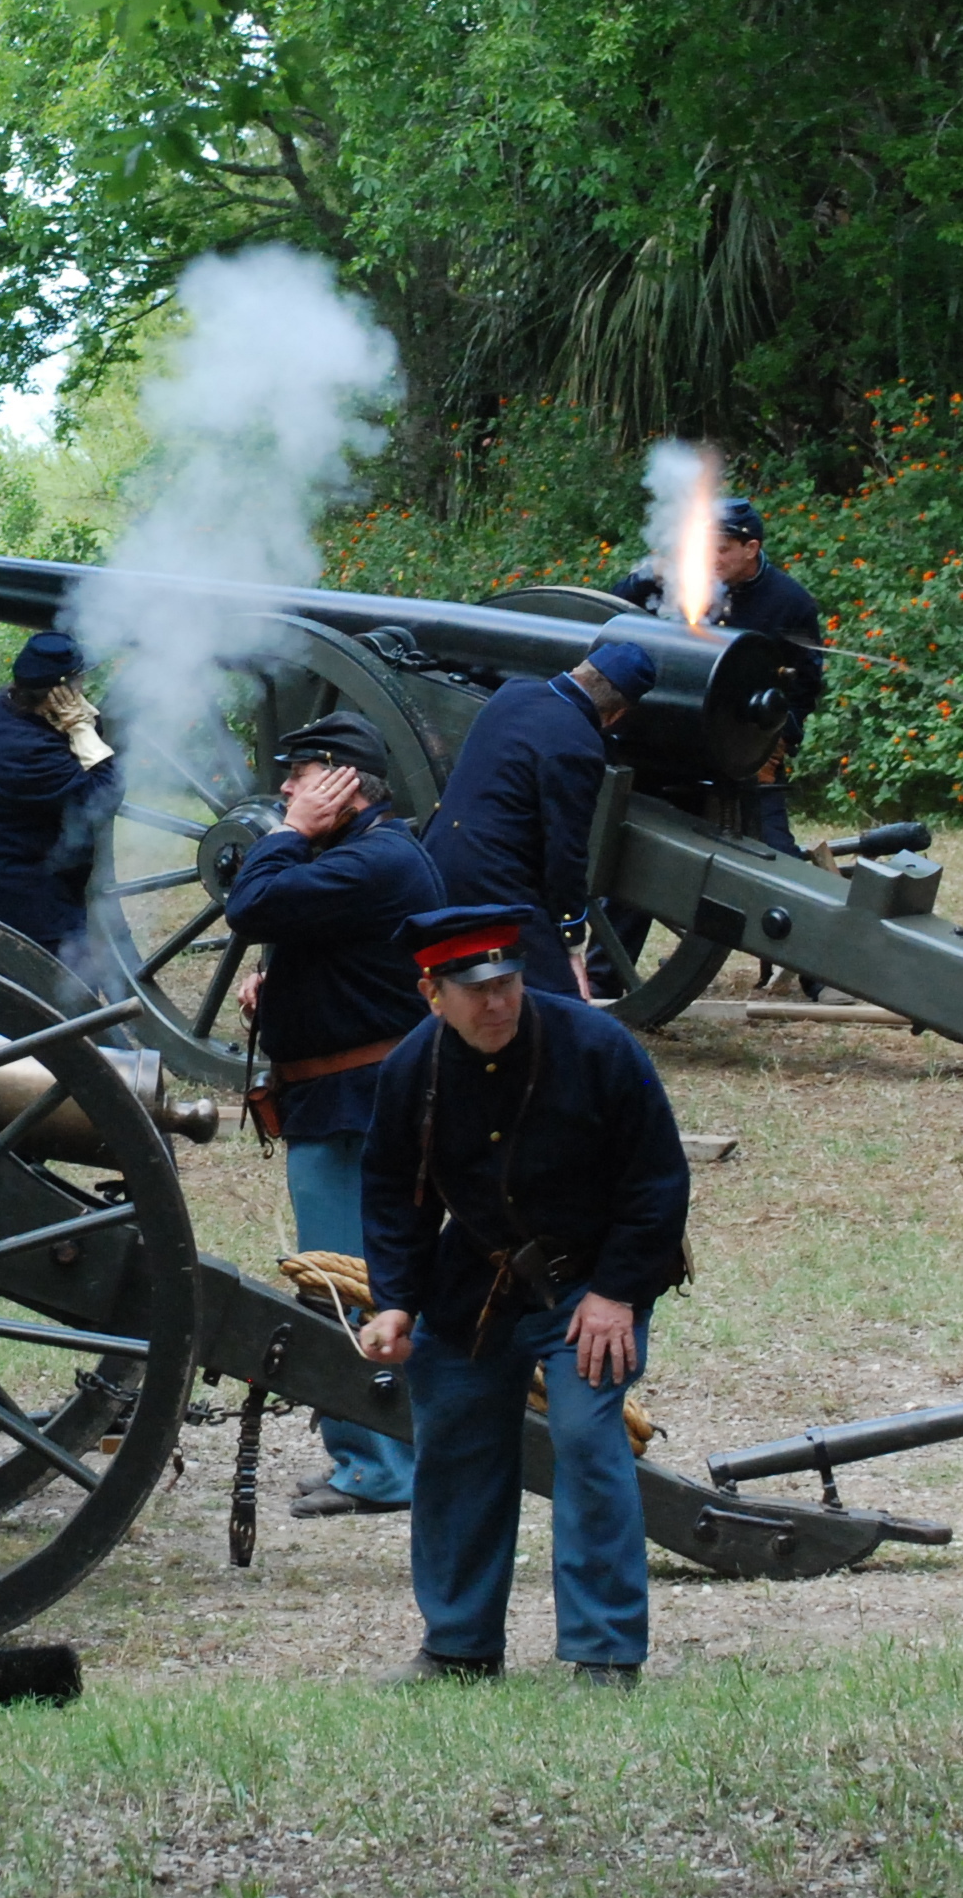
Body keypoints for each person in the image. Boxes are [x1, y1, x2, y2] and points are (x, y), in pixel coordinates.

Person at [352, 904, 693, 1687]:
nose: (499, 1003)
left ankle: (605, 1653)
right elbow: (395, 1192)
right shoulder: (414, 1069)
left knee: (584, 1437)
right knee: (454, 1441)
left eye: (507, 982)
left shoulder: (599, 1047)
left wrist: (614, 1295)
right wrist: (397, 1301)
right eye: (477, 991)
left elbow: (657, 1182)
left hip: (596, 1282)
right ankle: (459, 1647)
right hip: (475, 1284)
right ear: (433, 993)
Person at [222, 709, 446, 1516]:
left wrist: (288, 829)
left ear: (342, 784)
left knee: (348, 1285)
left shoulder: (375, 859)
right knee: (352, 1282)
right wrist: (285, 981)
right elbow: (314, 930)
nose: (286, 791)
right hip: (346, 1100)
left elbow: (249, 904)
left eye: (300, 776)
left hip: (360, 1107)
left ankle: (381, 1468)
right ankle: (370, 1452)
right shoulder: (364, 854)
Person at [421, 620, 658, 994]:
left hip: (438, 855)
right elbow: (566, 849)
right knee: (558, 1002)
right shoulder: (579, 743)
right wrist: (570, 937)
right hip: (494, 878)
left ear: (580, 670)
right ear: (616, 715)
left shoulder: (513, 692)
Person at [623, 499, 825, 855]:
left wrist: (775, 741)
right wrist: (642, 577)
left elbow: (804, 684)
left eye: (721, 550)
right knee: (637, 851)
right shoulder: (668, 581)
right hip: (671, 740)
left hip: (744, 746)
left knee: (775, 853)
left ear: (751, 549)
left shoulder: (791, 603)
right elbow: (611, 615)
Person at [0, 631, 122, 951]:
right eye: (79, 682)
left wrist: (84, 725)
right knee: (59, 995)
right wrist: (80, 728)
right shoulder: (25, 751)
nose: (83, 687)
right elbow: (105, 795)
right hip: (28, 903)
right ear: (59, 693)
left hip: (33, 880)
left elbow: (90, 748)